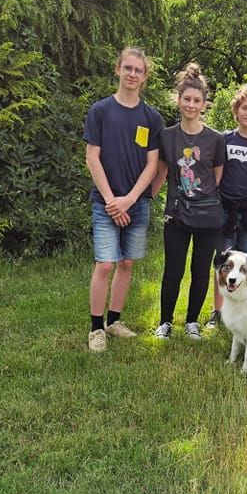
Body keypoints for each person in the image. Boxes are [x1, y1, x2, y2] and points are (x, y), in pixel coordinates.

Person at [84, 47, 164, 352]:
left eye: (138, 70)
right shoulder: (101, 111)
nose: (132, 74)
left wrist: (129, 200)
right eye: (128, 68)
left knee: (127, 263)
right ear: (118, 69)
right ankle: (95, 329)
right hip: (105, 202)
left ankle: (114, 321)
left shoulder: (151, 117)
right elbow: (92, 158)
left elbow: (152, 165)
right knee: (105, 264)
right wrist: (111, 201)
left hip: (136, 204)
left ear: (145, 77)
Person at [152, 63, 225, 340]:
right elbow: (161, 171)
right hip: (176, 214)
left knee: (200, 270)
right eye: (187, 99)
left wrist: (200, 198)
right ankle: (165, 322)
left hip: (207, 215)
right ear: (178, 100)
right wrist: (147, 199)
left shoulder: (215, 139)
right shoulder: (167, 136)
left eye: (197, 100)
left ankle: (192, 321)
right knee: (173, 269)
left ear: (205, 104)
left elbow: (217, 175)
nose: (191, 105)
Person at [204, 83, 247, 330]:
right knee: (223, 264)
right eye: (244, 107)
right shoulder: (224, 139)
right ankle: (217, 312)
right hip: (225, 211)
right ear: (236, 110)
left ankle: (246, 314)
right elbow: (214, 175)